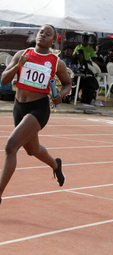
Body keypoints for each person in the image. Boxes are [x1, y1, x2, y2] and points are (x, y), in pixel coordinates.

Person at [0, 24, 72, 204]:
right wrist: (18, 65)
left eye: (48, 34)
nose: (43, 35)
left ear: (53, 40)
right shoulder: (22, 54)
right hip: (19, 107)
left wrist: (60, 96)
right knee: (32, 150)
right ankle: (56, 164)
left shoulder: (56, 62)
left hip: (39, 108)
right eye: (41, 32)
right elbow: (4, 80)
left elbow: (67, 84)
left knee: (11, 146)